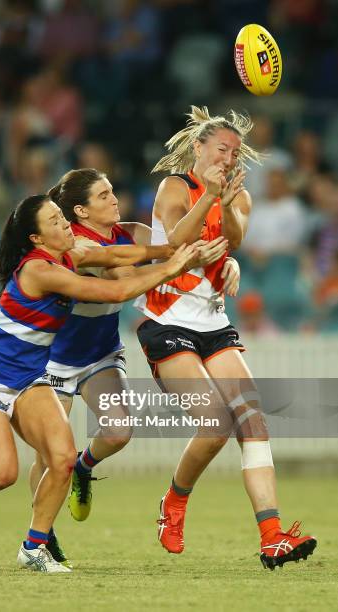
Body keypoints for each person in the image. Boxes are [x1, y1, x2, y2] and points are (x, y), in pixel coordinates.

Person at [0, 193, 199, 574]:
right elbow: (113, 291)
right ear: (37, 240)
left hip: (30, 378)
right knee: (0, 476)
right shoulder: (39, 270)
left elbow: (114, 256)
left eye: (61, 216)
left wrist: (168, 248)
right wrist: (173, 265)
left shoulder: (70, 254)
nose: (64, 224)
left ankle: (34, 548)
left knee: (62, 460)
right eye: (54, 221)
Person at [18, 168, 236, 566]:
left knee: (119, 433)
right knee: (50, 457)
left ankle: (84, 468)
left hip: (100, 353)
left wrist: (224, 264)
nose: (114, 199)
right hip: (54, 358)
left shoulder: (132, 230)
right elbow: (128, 277)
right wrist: (182, 262)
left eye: (112, 191)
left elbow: (178, 245)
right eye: (103, 196)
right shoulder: (77, 246)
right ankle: (42, 536)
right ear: (80, 210)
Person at [135, 106, 316, 570]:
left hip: (213, 322)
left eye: (236, 152)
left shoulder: (240, 196)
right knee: (215, 424)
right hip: (167, 320)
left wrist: (228, 208)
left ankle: (272, 536)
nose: (230, 157)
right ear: (198, 148)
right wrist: (209, 197)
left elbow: (232, 239)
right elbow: (176, 241)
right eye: (221, 148)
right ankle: (174, 503)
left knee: (253, 421)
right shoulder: (175, 186)